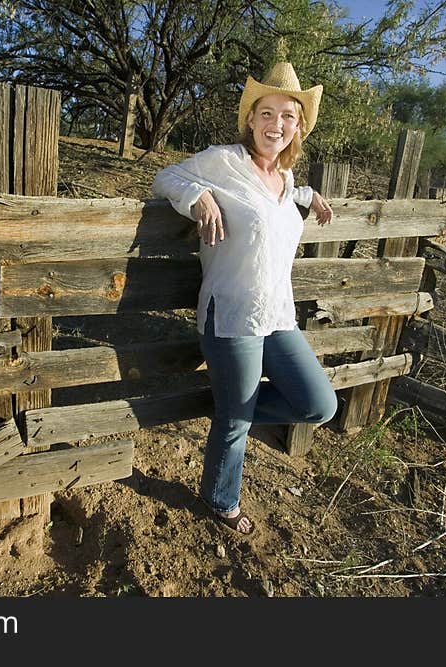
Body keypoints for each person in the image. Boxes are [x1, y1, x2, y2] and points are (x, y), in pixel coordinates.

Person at [151, 61, 338, 535]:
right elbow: (166, 177)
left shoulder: (288, 181)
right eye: (267, 113)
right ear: (251, 119)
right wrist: (197, 195)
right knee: (235, 421)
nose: (276, 124)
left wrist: (310, 195)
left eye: (288, 116)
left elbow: (278, 201)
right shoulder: (223, 162)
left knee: (319, 404)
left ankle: (236, 407)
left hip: (277, 314)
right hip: (231, 314)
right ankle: (220, 498)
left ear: (298, 126)